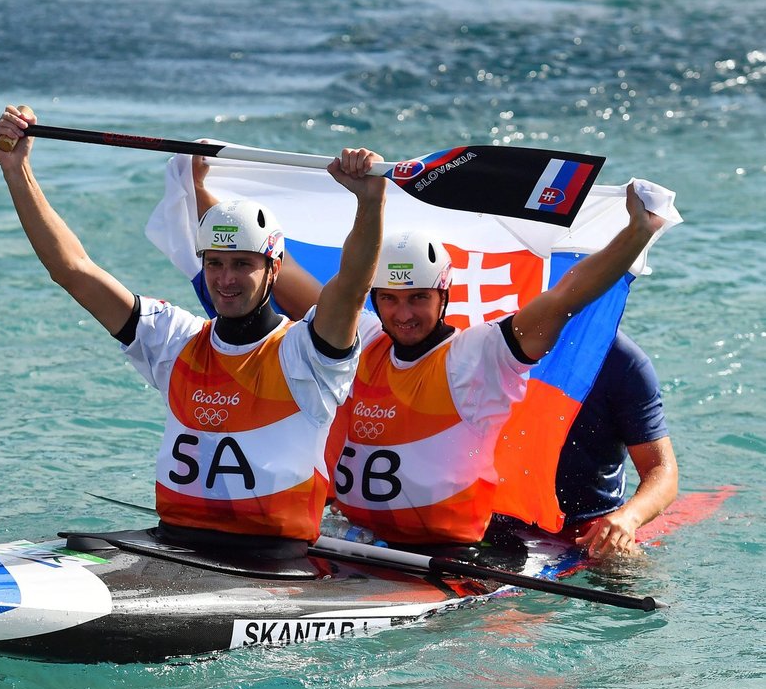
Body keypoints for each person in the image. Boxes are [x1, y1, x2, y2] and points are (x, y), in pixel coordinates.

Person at [0, 105, 385, 552]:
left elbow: (351, 286)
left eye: (242, 265)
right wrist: (16, 170)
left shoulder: (308, 354)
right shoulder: (174, 340)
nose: (225, 279)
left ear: (274, 269)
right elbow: (73, 269)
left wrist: (369, 202)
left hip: (270, 559)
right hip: (173, 545)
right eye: (214, 263)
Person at [273, 182, 667, 547]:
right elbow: (283, 274)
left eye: (418, 298)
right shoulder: (365, 337)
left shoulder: (476, 356)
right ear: (374, 299)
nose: (403, 313)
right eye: (390, 299)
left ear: (443, 295)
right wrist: (209, 191)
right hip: (359, 537)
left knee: (622, 569)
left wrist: (637, 233)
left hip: (446, 551)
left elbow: (565, 298)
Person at [555, 330, 678, 557]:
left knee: (623, 563)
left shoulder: (625, 362)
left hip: (588, 524)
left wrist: (628, 517)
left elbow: (661, 470)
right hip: (495, 516)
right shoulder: (496, 340)